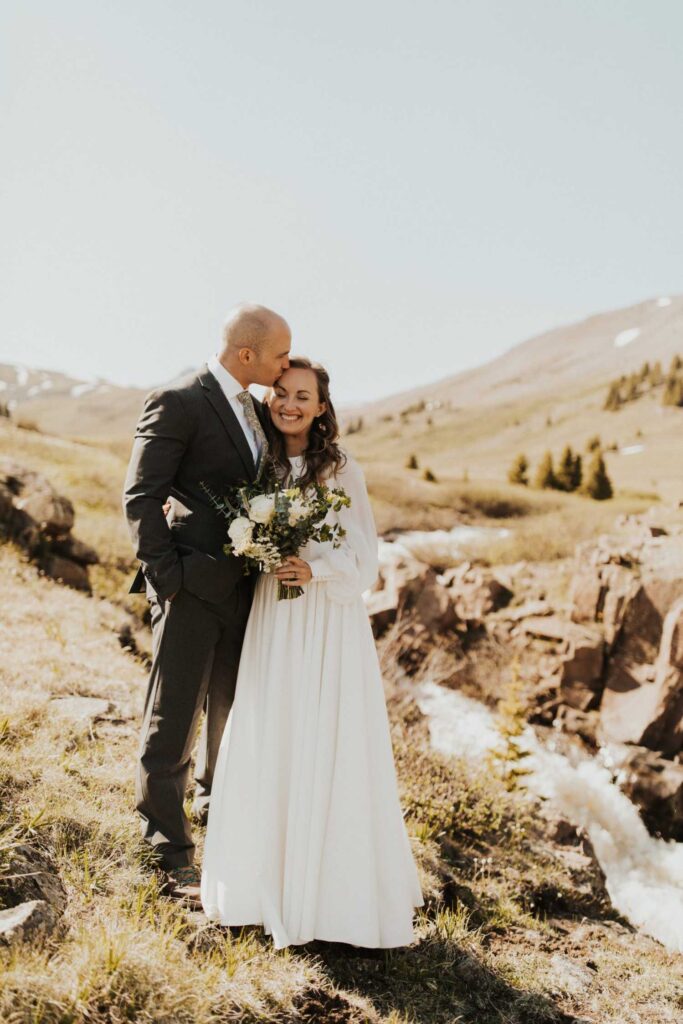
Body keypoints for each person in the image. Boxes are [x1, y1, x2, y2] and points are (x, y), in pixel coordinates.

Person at [201, 357, 423, 948]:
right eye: (281, 392)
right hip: (274, 616)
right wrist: (260, 551)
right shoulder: (261, 461)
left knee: (324, 735)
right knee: (272, 730)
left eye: (303, 395)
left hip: (325, 621)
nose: (290, 403)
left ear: (322, 407)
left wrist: (314, 567)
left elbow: (365, 558)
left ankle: (331, 900)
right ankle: (260, 885)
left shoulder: (342, 469)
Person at [123, 303, 291, 904]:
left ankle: (221, 844)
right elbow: (142, 496)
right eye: (279, 354)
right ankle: (165, 852)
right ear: (246, 353)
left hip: (245, 594)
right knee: (172, 724)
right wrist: (169, 579)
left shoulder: (256, 411)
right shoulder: (179, 398)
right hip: (191, 590)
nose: (286, 363)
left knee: (230, 723)